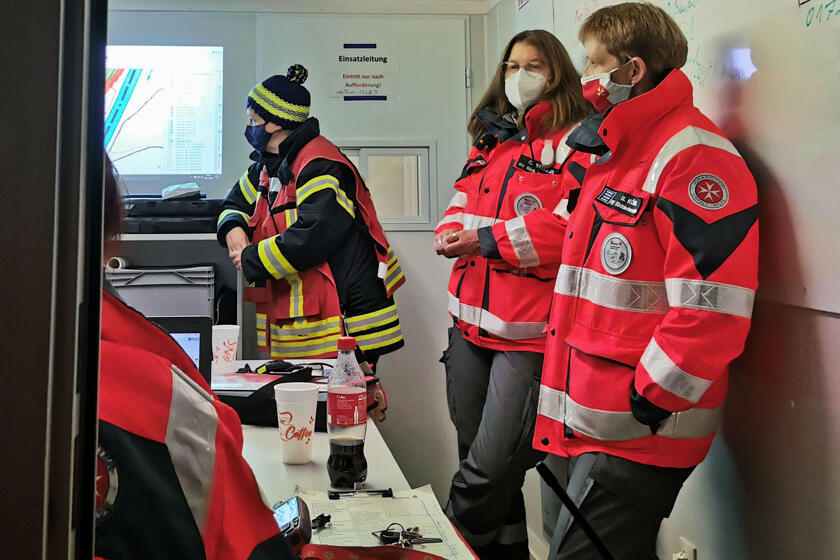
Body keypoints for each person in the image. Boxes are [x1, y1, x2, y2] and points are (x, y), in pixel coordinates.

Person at [532, 4, 759, 559]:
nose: (585, 79)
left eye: (594, 63)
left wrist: (652, 397)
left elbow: (713, 306)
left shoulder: (694, 155)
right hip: (591, 415)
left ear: (633, 70)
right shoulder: (617, 149)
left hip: (641, 427)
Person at [434, 30, 593, 560]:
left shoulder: (580, 139)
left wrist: (485, 240)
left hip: (527, 336)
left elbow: (571, 227)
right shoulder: (492, 138)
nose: (517, 75)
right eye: (511, 65)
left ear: (558, 72)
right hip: (467, 326)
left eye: (532, 65)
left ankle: (439, 547)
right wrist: (450, 232)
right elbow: (461, 202)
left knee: (491, 467)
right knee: (474, 458)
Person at [96, 158, 297, 560]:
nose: (254, 127)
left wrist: (248, 249)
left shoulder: (314, 168)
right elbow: (248, 542)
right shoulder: (162, 400)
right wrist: (240, 238)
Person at [217, 65, 405, 365]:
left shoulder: (320, 163)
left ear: (274, 124)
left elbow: (313, 236)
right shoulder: (268, 164)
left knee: (349, 401)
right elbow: (233, 203)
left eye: (253, 119)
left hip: (349, 317)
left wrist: (251, 258)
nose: (248, 126)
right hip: (312, 317)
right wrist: (233, 231)